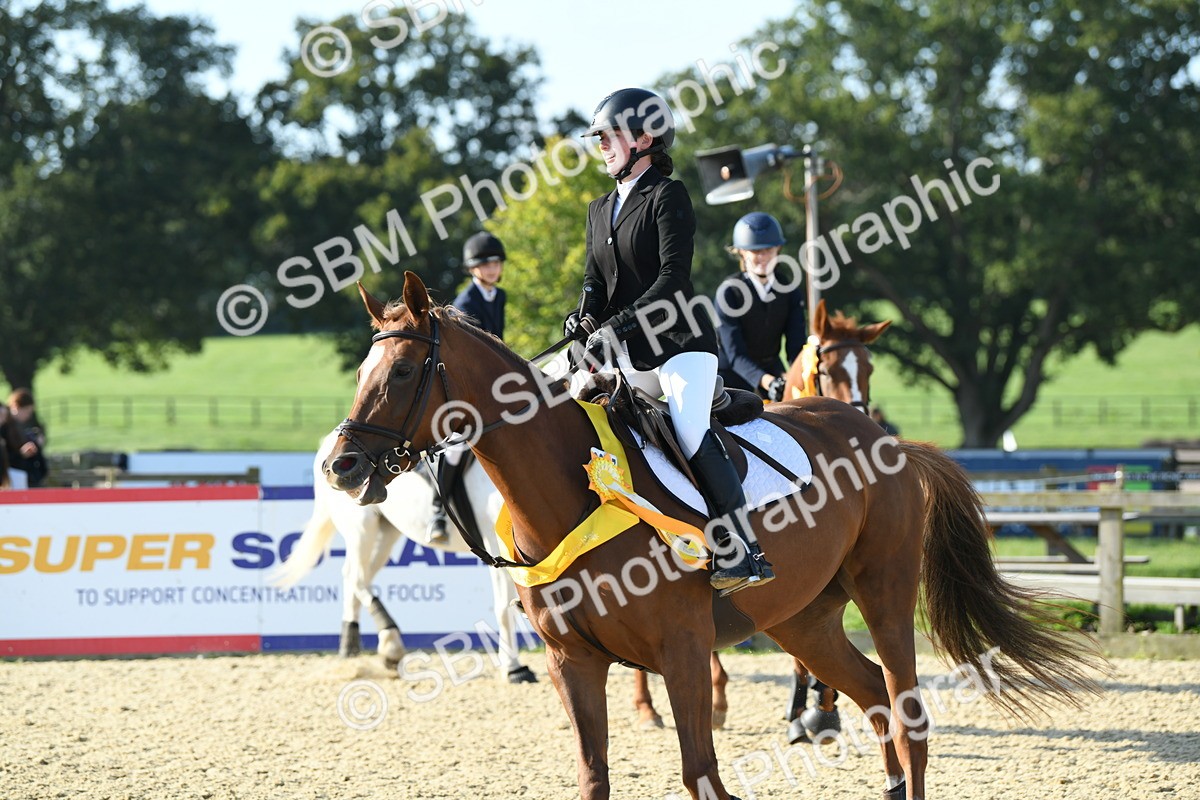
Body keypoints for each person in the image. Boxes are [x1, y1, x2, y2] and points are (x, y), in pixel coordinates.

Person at [562, 87, 773, 595]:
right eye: (599, 138)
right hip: (627, 354)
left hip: (680, 346)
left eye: (610, 136)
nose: (602, 146)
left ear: (644, 139)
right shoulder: (598, 208)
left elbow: (672, 279)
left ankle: (742, 549)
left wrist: (617, 326)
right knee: (574, 416)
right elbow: (595, 281)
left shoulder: (667, 195)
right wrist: (584, 317)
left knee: (689, 428)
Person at [426, 232, 509, 542]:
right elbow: (468, 355)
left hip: (492, 381)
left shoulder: (498, 296)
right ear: (473, 268)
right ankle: (437, 508)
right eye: (485, 264)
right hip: (467, 382)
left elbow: (497, 342)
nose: (492, 269)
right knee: (458, 445)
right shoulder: (464, 304)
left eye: (496, 263)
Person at [714, 212, 807, 402]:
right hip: (731, 377)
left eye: (768, 250)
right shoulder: (728, 293)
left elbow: (796, 347)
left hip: (773, 371)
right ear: (742, 252)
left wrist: (797, 377)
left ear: (778, 249)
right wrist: (768, 382)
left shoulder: (789, 290)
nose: (763, 257)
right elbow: (736, 355)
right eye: (755, 251)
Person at [5, 388, 48, 487]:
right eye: (27, 412)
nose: (28, 416)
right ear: (16, 407)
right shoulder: (6, 427)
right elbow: (6, 455)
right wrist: (22, 454)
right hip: (11, 476)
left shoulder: (17, 426)